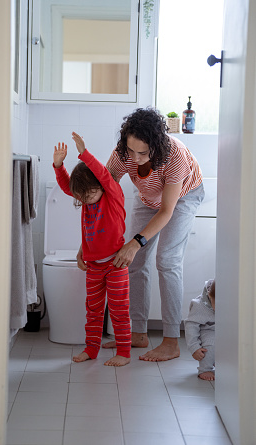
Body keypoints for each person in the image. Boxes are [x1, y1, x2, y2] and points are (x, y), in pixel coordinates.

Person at [98, 108, 204, 362]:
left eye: (142, 153)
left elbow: (167, 210)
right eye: (131, 151)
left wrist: (135, 242)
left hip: (182, 198)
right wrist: (91, 238)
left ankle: (170, 342)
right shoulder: (123, 153)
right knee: (133, 262)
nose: (135, 158)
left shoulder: (174, 155)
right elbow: (103, 192)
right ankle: (138, 333)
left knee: (167, 261)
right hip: (148, 198)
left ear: (157, 146)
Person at [53, 132, 131, 367]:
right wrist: (59, 165)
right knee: (94, 310)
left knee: (118, 310)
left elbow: (104, 176)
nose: (86, 201)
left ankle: (124, 352)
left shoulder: (113, 195)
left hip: (116, 264)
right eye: (82, 198)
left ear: (100, 186)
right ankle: (91, 348)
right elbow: (68, 187)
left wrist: (84, 154)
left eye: (90, 195)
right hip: (94, 266)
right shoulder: (86, 197)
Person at [184, 279, 215, 380]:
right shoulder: (200, 305)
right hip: (208, 330)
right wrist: (194, 347)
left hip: (227, 330)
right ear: (210, 297)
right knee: (210, 344)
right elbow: (191, 326)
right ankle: (205, 369)